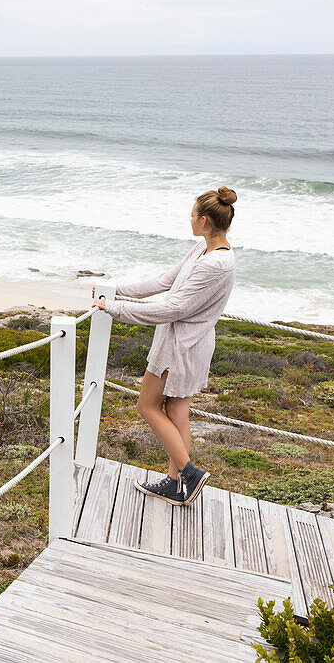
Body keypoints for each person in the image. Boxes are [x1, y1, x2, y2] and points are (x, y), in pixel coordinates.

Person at [91, 187, 238, 505]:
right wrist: (115, 291)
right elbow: (163, 282)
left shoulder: (215, 265)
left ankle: (189, 473)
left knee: (147, 406)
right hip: (190, 342)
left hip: (181, 346)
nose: (188, 220)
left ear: (203, 220)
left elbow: (173, 308)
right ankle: (176, 484)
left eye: (191, 215)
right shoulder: (204, 251)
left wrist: (115, 309)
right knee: (176, 411)